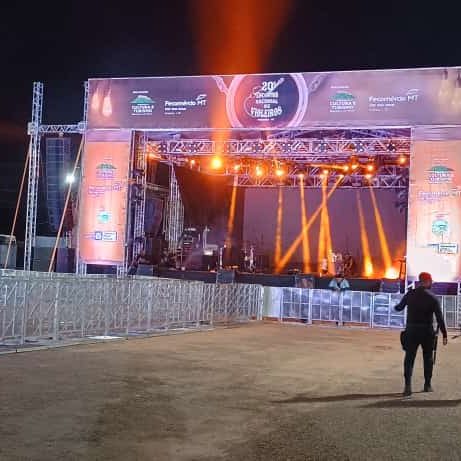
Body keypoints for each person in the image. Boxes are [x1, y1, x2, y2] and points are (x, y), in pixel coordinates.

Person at [394, 272, 448, 397]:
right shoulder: (433, 297)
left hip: (411, 330)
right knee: (428, 358)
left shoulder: (410, 294)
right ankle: (427, 385)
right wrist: (444, 334)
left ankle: (407, 386)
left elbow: (399, 308)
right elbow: (439, 318)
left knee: (409, 358)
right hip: (427, 331)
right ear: (428, 281)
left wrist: (395, 306)